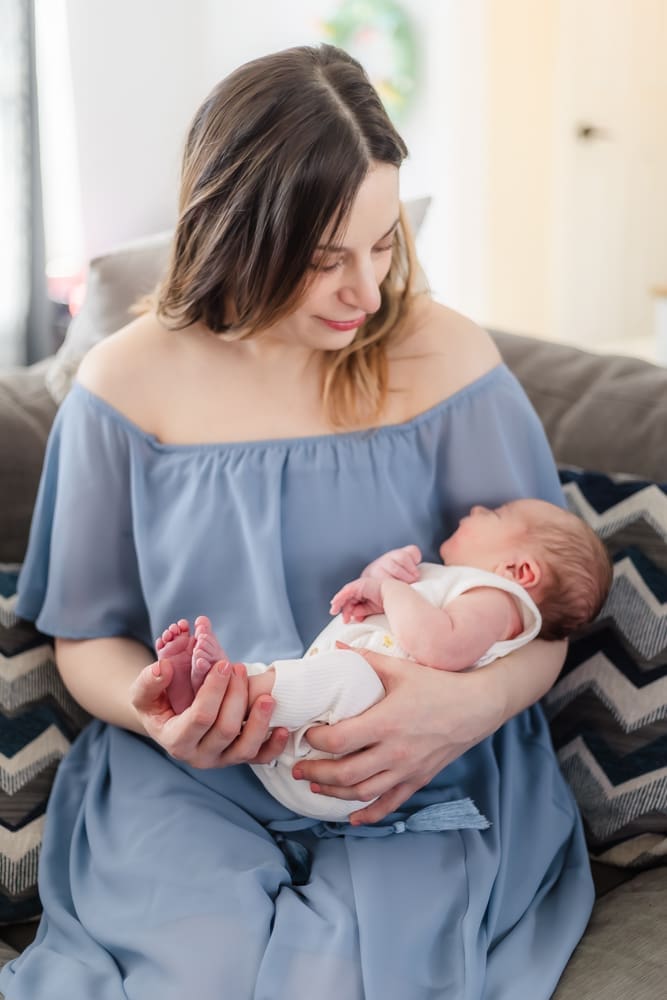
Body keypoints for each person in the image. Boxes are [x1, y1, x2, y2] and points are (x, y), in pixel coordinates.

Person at [0, 44, 595, 1000]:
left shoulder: (443, 357)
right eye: (324, 261)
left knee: (366, 972)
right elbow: (85, 637)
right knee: (196, 973)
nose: (367, 291)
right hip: (191, 780)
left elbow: (546, 609)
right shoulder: (122, 387)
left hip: (417, 764)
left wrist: (463, 711)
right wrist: (162, 717)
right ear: (233, 236)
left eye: (383, 244)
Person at [155, 498, 612, 821]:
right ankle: (210, 695)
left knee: (342, 674)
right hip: (306, 749)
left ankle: (224, 686)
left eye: (494, 514)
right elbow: (392, 619)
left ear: (519, 571)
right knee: (300, 677)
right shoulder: (453, 586)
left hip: (356, 755)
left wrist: (390, 589)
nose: (476, 508)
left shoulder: (497, 600)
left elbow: (439, 646)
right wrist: (379, 579)